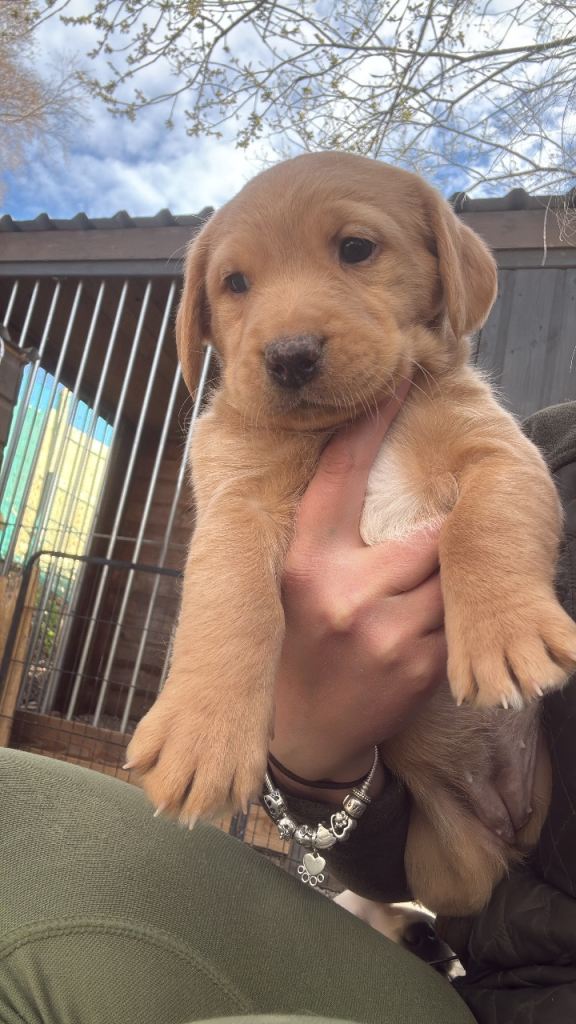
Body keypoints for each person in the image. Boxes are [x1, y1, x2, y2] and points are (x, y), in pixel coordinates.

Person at [0, 402, 573, 1024]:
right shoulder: (558, 441)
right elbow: (236, 525)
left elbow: (502, 476)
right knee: (14, 799)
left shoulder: (461, 410)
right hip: (476, 927)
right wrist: (312, 760)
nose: (290, 350)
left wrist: (496, 588)